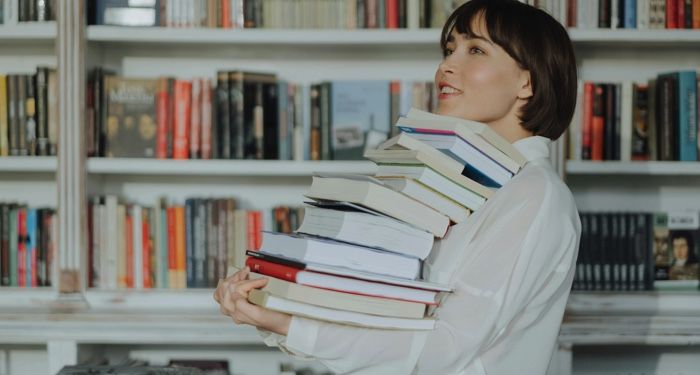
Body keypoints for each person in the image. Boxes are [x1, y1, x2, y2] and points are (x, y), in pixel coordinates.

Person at [213, 1, 581, 374]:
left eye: (476, 50)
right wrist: (270, 306)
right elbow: (388, 319)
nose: (447, 66)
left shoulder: (535, 195)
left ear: (527, 82)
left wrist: (290, 326)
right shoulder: (459, 183)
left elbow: (443, 348)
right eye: (449, 49)